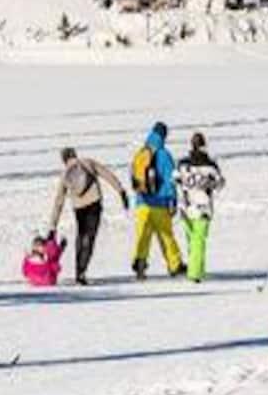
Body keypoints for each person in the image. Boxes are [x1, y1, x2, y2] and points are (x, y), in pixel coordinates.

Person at [47, 146, 128, 286]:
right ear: (74, 154)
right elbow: (107, 174)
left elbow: (59, 201)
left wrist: (53, 226)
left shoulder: (65, 175)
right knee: (90, 238)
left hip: (79, 208)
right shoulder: (87, 163)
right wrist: (121, 191)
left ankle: (78, 270)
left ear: (64, 160)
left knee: (81, 236)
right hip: (94, 203)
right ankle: (82, 271)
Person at [128, 122, 184, 279]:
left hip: (142, 202)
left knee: (142, 236)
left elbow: (133, 177)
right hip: (160, 203)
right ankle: (175, 265)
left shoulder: (140, 153)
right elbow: (170, 180)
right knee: (166, 236)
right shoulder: (164, 154)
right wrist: (172, 200)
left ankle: (140, 263)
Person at [175, 132, 225, 283]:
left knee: (192, 240)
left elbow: (175, 179)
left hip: (186, 206)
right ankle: (195, 273)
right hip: (203, 208)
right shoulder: (210, 166)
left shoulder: (183, 164)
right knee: (199, 240)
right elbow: (219, 184)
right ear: (204, 146)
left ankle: (197, 269)